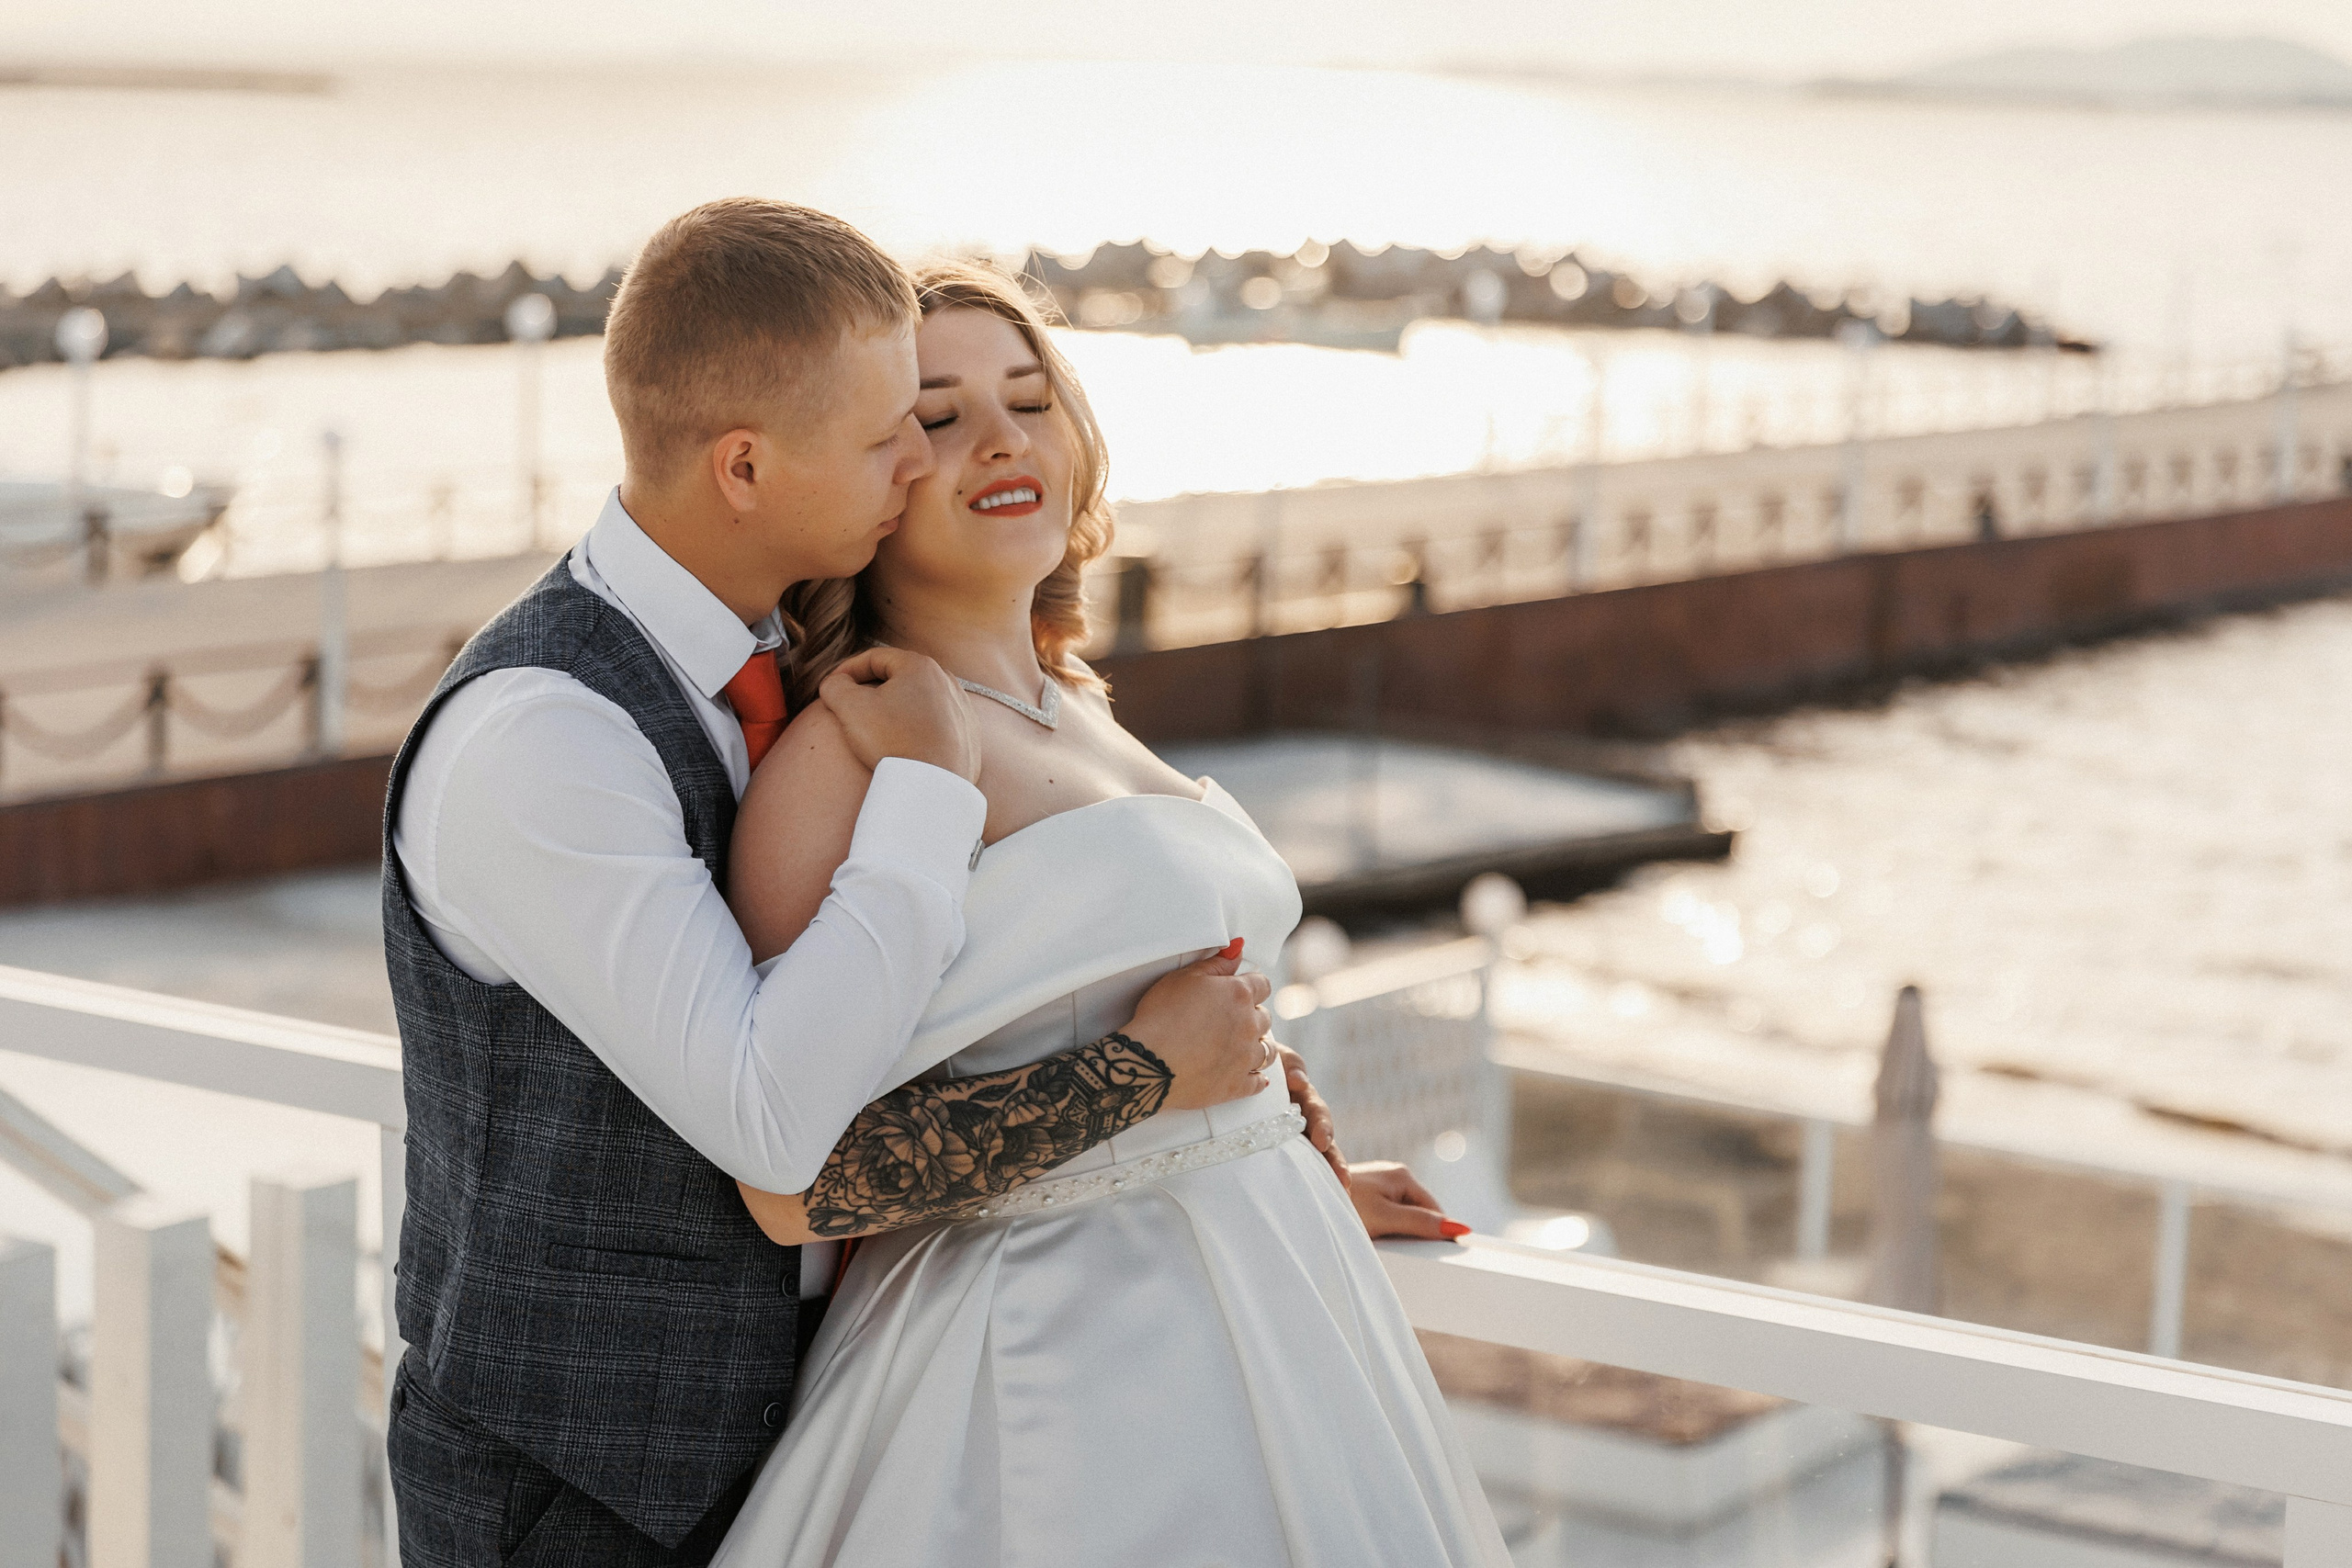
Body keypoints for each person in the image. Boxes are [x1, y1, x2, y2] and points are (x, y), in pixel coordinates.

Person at [380, 200, 1297, 1567]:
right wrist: (929, 791)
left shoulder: (765, 667)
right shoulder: (544, 735)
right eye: (893, 433)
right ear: (746, 467)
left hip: (822, 1431)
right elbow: (773, 1121)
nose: (920, 463)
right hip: (582, 1494)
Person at [713, 261, 1509, 1567]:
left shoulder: (1081, 705)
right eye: (937, 413)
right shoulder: (851, 751)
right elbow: (795, 1181)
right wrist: (1142, 1077)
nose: (1002, 437)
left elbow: (1164, 1000)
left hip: (1277, 1298)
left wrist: (1292, 1159)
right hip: (1043, 1374)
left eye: (1029, 398)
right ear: (865, 474)